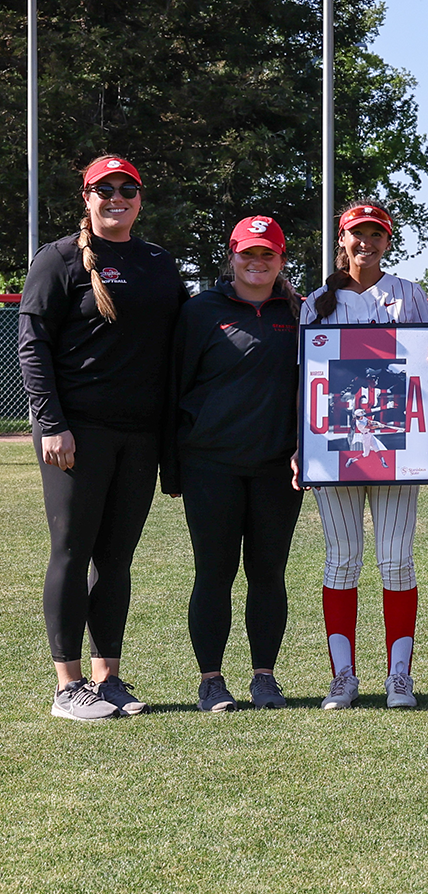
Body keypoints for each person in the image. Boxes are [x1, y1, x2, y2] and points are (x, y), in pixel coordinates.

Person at [19, 156, 187, 720]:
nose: (117, 197)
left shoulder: (160, 265)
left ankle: (107, 678)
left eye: (128, 189)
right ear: (87, 197)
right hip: (77, 434)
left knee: (116, 560)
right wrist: (52, 424)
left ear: (141, 198)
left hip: (139, 436)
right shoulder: (59, 258)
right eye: (105, 189)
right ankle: (67, 687)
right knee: (72, 551)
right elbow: (33, 345)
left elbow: (183, 345)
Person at [164, 217, 303, 712]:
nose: (257, 262)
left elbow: (320, 392)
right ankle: (211, 680)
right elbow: (174, 388)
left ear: (282, 260)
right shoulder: (201, 311)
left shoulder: (300, 313)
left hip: (276, 468)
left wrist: (305, 449)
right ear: (232, 257)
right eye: (248, 253)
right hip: (210, 465)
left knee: (269, 572)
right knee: (213, 572)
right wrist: (173, 467)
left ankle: (264, 677)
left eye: (268, 254)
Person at [301, 201, 428, 711]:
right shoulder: (317, 300)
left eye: (376, 234)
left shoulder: (409, 294)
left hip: (397, 442)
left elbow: (423, 375)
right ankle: (344, 677)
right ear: (342, 239)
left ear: (388, 240)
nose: (367, 242)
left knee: (396, 560)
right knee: (341, 561)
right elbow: (306, 381)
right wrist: (302, 444)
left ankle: (400, 676)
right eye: (358, 233)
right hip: (334, 444)